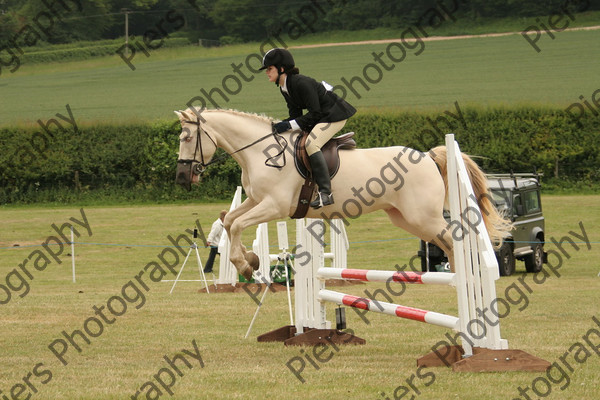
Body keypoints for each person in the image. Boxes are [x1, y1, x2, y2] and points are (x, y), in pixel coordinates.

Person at [260, 48, 356, 209]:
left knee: (312, 144)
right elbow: (295, 114)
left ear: (281, 69)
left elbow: (315, 112)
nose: (267, 72)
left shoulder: (300, 83)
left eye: (270, 68)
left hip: (334, 115)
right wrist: (279, 126)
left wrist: (288, 125)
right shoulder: (285, 87)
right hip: (322, 116)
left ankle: (326, 192)